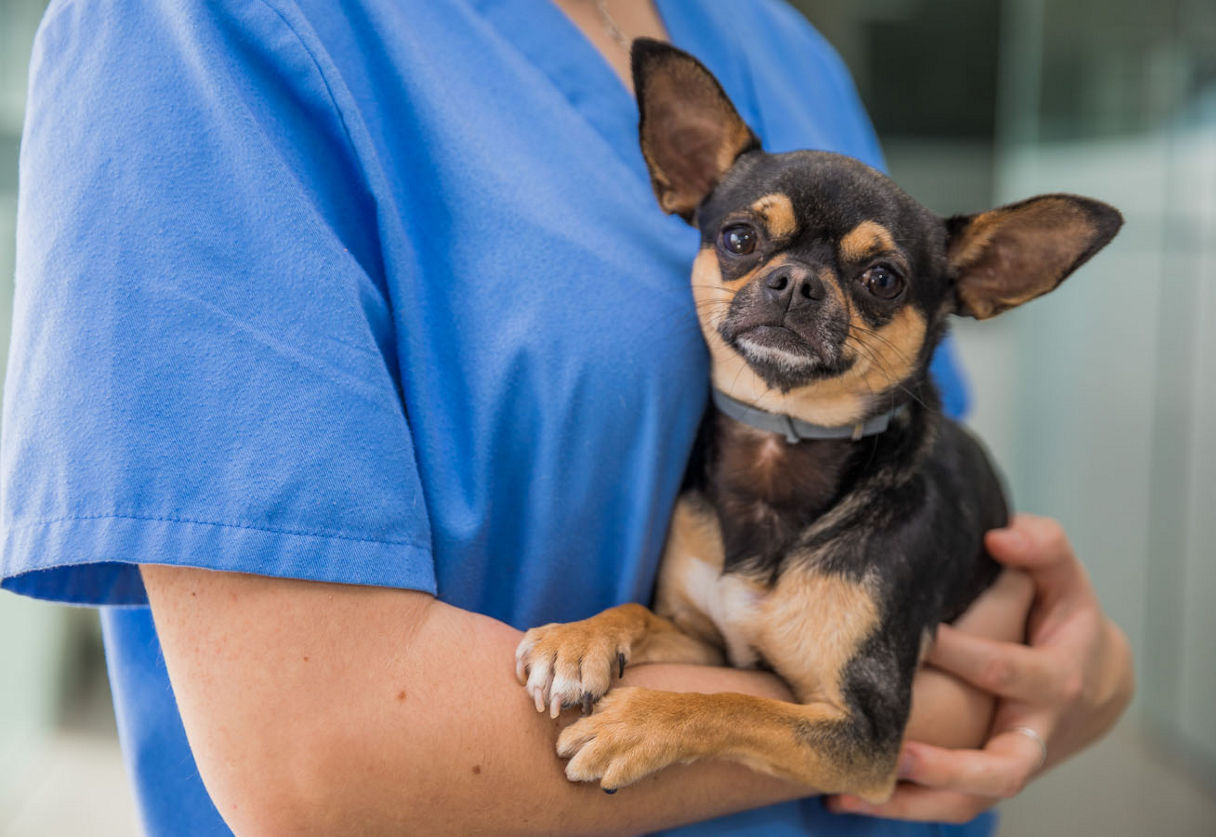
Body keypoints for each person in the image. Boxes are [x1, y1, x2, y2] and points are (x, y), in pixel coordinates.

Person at [0, 0, 1133, 833]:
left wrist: (1087, 673)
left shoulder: (782, 49)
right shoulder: (189, 32)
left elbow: (927, 476)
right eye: (748, 245)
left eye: (866, 281)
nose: (795, 288)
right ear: (688, 183)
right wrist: (944, 703)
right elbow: (325, 764)